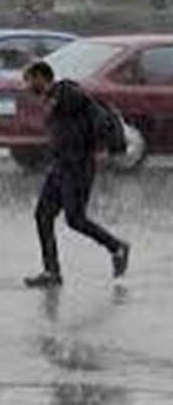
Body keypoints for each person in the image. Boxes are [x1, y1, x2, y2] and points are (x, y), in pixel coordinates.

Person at [22, 61, 130, 288]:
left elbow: (94, 115)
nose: (27, 86)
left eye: (29, 80)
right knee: (43, 215)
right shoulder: (55, 99)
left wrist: (101, 146)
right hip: (60, 167)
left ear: (42, 77)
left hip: (77, 167)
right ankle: (52, 272)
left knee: (76, 219)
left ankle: (117, 247)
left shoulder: (67, 92)